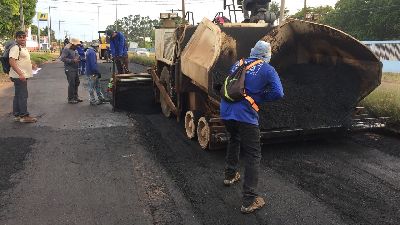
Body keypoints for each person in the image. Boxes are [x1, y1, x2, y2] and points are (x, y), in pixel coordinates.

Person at [220, 40, 284, 214]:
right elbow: (278, 92)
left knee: (234, 138)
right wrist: (260, 97)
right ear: (267, 55)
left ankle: (230, 175)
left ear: (252, 51)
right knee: (253, 155)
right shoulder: (267, 69)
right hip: (245, 116)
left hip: (226, 111)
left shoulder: (237, 64)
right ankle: (249, 200)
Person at [8, 31, 37, 123]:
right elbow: (12, 61)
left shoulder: (22, 48)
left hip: (20, 75)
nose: (22, 38)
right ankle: (24, 116)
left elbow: (23, 59)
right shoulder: (15, 48)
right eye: (20, 37)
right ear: (16, 38)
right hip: (19, 76)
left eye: (24, 37)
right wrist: (20, 74)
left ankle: (17, 115)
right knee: (23, 96)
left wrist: (31, 64)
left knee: (18, 95)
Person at [60, 38, 82, 104]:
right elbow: (62, 58)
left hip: (75, 68)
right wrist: (72, 60)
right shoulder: (66, 49)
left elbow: (77, 55)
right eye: (76, 45)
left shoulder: (75, 49)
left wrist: (78, 57)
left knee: (77, 82)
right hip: (69, 69)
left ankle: (75, 97)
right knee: (72, 83)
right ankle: (71, 98)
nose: (77, 46)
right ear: (72, 44)